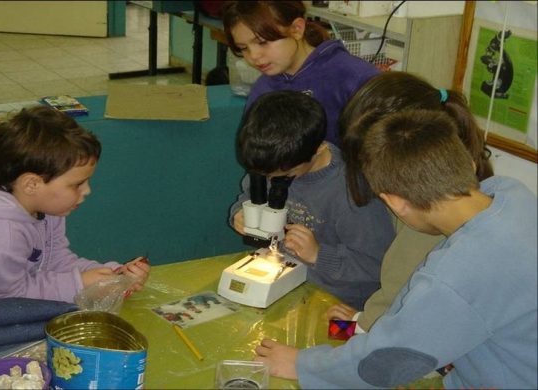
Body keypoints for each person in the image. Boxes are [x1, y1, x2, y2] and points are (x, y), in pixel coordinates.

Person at [253, 109, 537, 389]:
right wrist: (357, 323)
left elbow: (384, 364)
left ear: (395, 202)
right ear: (468, 165)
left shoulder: (461, 273)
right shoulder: (511, 195)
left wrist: (301, 365)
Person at [326, 72, 495, 333]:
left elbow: (392, 334)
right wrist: (365, 317)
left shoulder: (423, 223)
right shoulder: (486, 192)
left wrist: (348, 328)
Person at [0, 106, 150, 303]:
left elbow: (52, 260)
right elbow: (6, 299)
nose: (87, 191)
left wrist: (112, 274)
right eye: (77, 184)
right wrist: (79, 284)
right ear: (31, 184)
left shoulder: (37, 202)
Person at [229, 90, 395, 310]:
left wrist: (318, 254)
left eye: (283, 176)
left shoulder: (353, 195)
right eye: (265, 176)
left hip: (340, 306)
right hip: (290, 284)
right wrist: (240, 213)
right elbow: (248, 196)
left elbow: (378, 264)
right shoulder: (273, 163)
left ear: (320, 149)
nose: (271, 181)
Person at [222, 1, 380, 147]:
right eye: (243, 48)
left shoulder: (356, 77)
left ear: (297, 29)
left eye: (263, 42)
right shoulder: (263, 88)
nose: (254, 56)